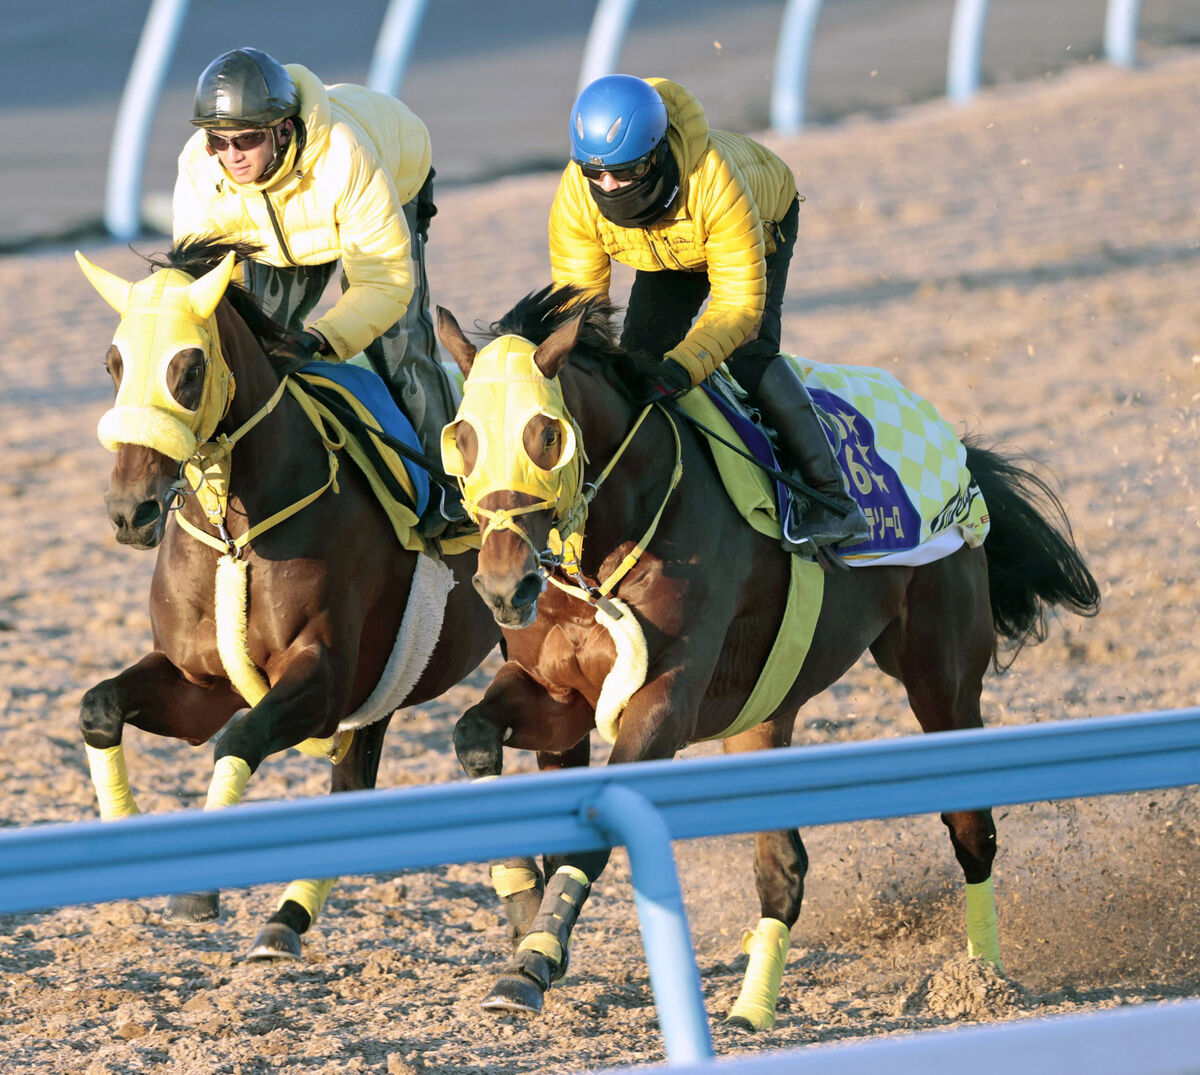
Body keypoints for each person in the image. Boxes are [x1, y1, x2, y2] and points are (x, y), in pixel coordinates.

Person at [549, 74, 868, 551]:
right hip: (664, 247)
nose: (608, 186)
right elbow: (581, 307)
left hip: (758, 216)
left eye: (626, 172)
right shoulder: (577, 193)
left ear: (656, 153)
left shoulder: (715, 180)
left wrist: (681, 370)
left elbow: (738, 309)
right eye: (595, 173)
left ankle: (833, 501)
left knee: (747, 355)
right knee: (635, 362)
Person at [172, 46, 457, 473]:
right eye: (219, 140)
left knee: (397, 347)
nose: (232, 156)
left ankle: (447, 487)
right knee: (259, 348)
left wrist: (322, 339)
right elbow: (198, 288)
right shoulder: (200, 166)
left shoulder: (345, 155)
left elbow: (384, 283)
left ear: (283, 130)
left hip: (393, 175)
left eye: (247, 139)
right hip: (280, 228)